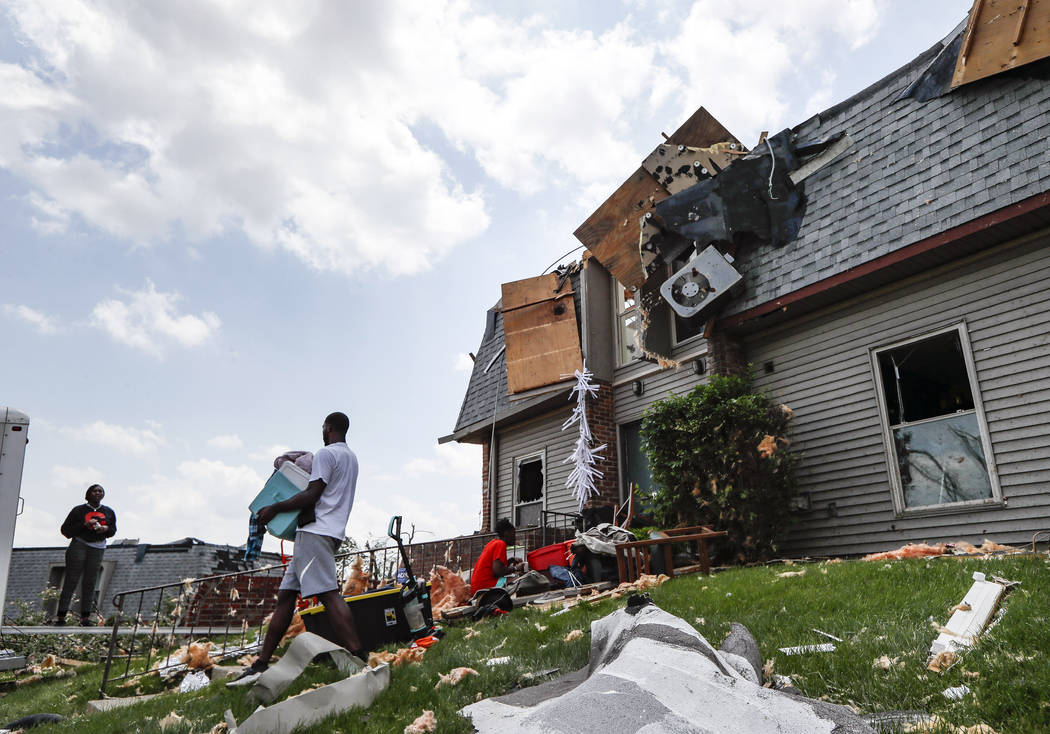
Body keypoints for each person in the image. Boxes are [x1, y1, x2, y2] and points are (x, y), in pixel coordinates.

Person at [240, 412, 362, 680]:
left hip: (316, 531)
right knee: (287, 595)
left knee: (328, 593)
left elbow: (312, 493)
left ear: (328, 428)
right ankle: (261, 662)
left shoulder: (325, 454)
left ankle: (358, 657)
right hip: (326, 531)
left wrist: (275, 507)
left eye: (323, 427)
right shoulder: (351, 458)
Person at [55, 484, 117, 626]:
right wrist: (85, 525)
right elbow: (66, 531)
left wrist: (105, 529)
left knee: (90, 582)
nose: (97, 493)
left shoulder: (108, 512)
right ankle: (61, 617)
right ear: (88, 494)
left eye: (100, 491)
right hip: (79, 545)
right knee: (71, 580)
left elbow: (113, 530)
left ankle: (85, 618)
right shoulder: (78, 510)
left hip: (98, 547)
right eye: (94, 491)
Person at [470, 518, 524, 592]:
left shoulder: (492, 543)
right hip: (485, 584)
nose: (515, 537)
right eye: (513, 534)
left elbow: (494, 567)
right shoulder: (500, 544)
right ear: (506, 533)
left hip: (476, 585)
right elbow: (497, 571)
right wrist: (516, 568)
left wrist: (510, 560)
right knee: (521, 580)